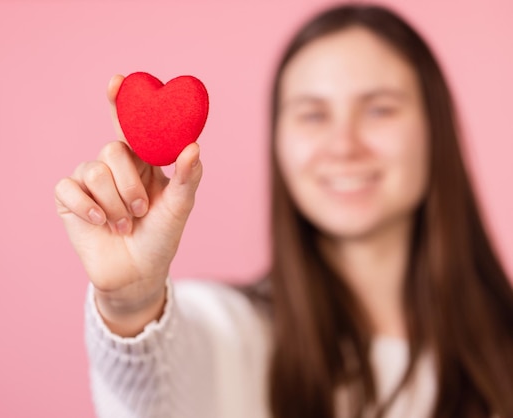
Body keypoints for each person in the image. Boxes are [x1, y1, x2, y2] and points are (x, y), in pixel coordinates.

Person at [54, 4, 513, 417]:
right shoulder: (228, 333)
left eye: (380, 110)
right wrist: (132, 301)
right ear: (278, 144)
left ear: (437, 128)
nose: (343, 145)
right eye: (312, 114)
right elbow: (153, 392)